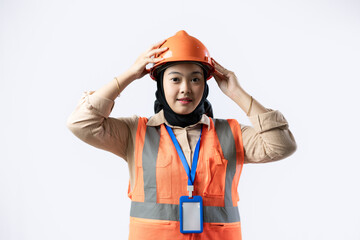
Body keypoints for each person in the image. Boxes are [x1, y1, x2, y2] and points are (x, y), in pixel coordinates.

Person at [67, 30, 297, 240]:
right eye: (175, 79)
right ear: (161, 85)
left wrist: (237, 94)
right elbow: (81, 123)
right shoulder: (134, 133)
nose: (186, 88)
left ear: (205, 87)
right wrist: (130, 74)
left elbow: (282, 145)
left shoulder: (230, 134)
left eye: (195, 79)